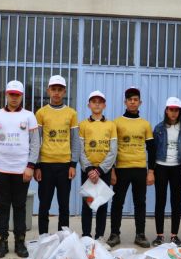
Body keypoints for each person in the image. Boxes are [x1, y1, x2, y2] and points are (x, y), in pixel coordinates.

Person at [0, 80, 40, 258]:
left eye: (17, 95)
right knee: (2, 206)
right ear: (6, 95)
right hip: (1, 169)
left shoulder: (29, 116)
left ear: (22, 96)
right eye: (11, 94)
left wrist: (31, 166)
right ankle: (1, 242)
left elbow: (35, 143)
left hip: (21, 170)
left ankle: (20, 243)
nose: (14, 98)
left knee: (19, 206)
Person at [107, 87, 156, 248]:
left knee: (140, 202)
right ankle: (115, 234)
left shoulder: (145, 124)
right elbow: (111, 148)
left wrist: (151, 172)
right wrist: (112, 170)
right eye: (130, 100)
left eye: (135, 99)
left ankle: (140, 235)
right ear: (125, 102)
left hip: (140, 168)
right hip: (121, 168)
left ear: (140, 102)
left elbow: (152, 149)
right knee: (117, 202)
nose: (133, 102)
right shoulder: (116, 123)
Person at [34, 75, 79, 234]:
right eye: (54, 89)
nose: (56, 93)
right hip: (45, 165)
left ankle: (63, 239)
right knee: (44, 205)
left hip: (65, 166)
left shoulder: (71, 113)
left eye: (60, 90)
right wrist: (36, 165)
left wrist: (73, 164)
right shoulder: (41, 113)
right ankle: (43, 239)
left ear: (64, 91)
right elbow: (36, 140)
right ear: (48, 90)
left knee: (64, 206)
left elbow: (75, 141)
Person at [78, 90, 117, 249]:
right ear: (89, 105)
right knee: (87, 204)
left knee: (101, 205)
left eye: (100, 101)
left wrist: (100, 170)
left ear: (104, 105)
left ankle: (99, 236)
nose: (97, 104)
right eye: (93, 101)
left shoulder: (111, 125)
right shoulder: (83, 124)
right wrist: (89, 169)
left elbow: (113, 150)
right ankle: (86, 236)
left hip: (104, 171)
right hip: (88, 170)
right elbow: (80, 149)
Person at [152, 97, 181, 247]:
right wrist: (151, 170)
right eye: (171, 109)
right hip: (161, 166)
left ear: (179, 112)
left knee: (176, 202)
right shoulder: (159, 128)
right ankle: (159, 235)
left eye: (176, 110)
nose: (173, 113)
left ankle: (174, 235)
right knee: (160, 201)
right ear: (166, 111)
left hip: (177, 168)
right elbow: (153, 150)